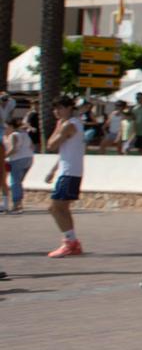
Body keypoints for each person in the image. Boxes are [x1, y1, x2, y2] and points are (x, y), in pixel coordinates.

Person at [43, 96, 87, 258]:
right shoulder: (72, 124)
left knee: (55, 208)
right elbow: (65, 152)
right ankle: (72, 242)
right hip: (68, 171)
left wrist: (57, 127)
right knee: (62, 208)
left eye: (60, 108)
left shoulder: (69, 125)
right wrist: (53, 170)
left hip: (69, 173)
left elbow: (51, 145)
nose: (57, 111)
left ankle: (70, 243)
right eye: (55, 108)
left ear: (69, 108)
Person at [5, 114, 34, 214]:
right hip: (29, 158)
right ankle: (19, 203)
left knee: (15, 182)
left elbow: (14, 149)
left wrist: (4, 157)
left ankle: (16, 205)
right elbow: (31, 146)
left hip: (17, 160)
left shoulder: (14, 135)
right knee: (19, 182)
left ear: (11, 126)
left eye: (7, 126)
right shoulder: (25, 134)